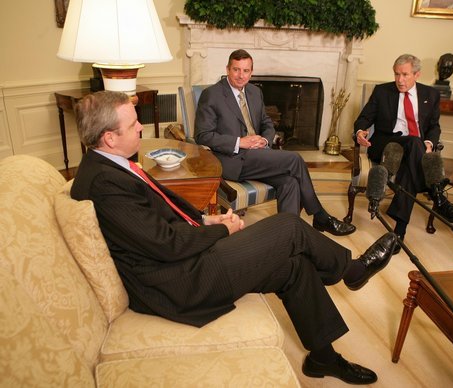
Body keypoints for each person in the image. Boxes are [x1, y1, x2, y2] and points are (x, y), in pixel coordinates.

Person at [71, 90, 397, 385]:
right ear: (110, 138)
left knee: (295, 264)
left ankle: (323, 358)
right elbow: (165, 244)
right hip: (179, 282)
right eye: (133, 124)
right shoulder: (103, 182)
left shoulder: (110, 165)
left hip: (185, 262)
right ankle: (351, 271)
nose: (141, 126)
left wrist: (204, 217)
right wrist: (221, 229)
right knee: (289, 226)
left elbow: (158, 217)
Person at [194, 49, 355, 237]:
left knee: (290, 182)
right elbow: (202, 135)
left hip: (259, 155)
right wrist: (240, 142)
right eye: (236, 70)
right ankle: (320, 216)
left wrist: (264, 139)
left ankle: (288, 237)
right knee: (294, 159)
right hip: (233, 159)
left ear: (251, 72)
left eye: (246, 71)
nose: (241, 75)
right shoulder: (211, 94)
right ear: (228, 69)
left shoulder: (254, 92)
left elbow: (267, 123)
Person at [354, 54, 453, 253]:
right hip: (388, 144)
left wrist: (428, 142)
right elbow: (364, 118)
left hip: (414, 149)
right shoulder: (382, 91)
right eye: (396, 74)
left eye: (405, 75)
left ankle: (399, 232)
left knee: (412, 158)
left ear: (417, 74)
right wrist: (360, 132)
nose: (400, 80)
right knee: (414, 143)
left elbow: (434, 127)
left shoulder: (430, 95)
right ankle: (438, 196)